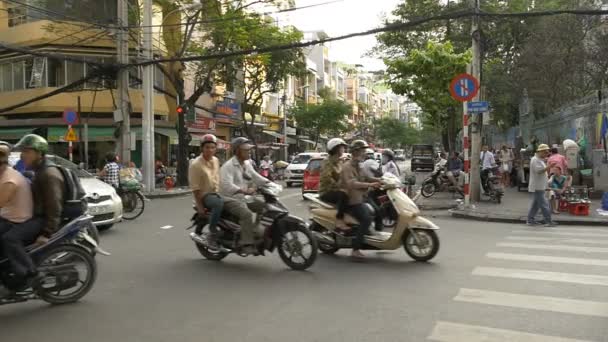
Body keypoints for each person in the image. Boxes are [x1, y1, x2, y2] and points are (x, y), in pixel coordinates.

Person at [0, 141, 40, 296]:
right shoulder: (4, 174)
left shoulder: (9, 180)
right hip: (8, 216)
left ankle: (25, 273)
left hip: (18, 219)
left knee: (8, 239)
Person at [219, 137, 270, 255]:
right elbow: (226, 185)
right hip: (229, 198)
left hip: (243, 197)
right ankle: (246, 243)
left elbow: (255, 176)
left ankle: (254, 232)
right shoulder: (229, 166)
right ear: (237, 151)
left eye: (249, 149)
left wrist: (270, 183)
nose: (249, 152)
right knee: (246, 214)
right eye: (246, 150)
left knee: (265, 207)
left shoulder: (247, 163)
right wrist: (243, 191)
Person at [340, 140, 382, 259]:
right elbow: (351, 183)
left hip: (362, 196)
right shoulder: (347, 167)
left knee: (378, 211)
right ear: (356, 152)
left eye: (364, 151)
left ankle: (376, 239)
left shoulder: (359, 165)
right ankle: (355, 249)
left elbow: (366, 177)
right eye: (363, 151)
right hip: (352, 200)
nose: (365, 153)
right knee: (366, 219)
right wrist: (369, 185)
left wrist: (379, 180)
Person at [188, 134, 224, 251]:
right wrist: (200, 207)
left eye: (212, 147)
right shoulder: (196, 165)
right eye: (207, 147)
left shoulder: (216, 160)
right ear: (202, 148)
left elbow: (218, 179)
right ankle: (212, 232)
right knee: (218, 203)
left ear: (215, 149)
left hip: (217, 193)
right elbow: (195, 189)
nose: (210, 150)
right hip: (204, 196)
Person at [319, 138, 349, 229]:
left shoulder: (341, 162)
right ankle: (339, 219)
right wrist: (339, 186)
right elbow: (327, 178)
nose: (344, 149)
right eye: (341, 147)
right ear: (335, 149)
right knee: (344, 195)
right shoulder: (327, 162)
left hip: (337, 190)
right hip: (327, 191)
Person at [527, 144, 557, 227]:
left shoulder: (539, 159)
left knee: (536, 205)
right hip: (538, 186)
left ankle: (530, 220)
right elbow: (539, 171)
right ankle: (548, 221)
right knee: (544, 204)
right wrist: (549, 166)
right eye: (545, 152)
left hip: (540, 185)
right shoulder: (535, 160)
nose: (546, 154)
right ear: (540, 152)